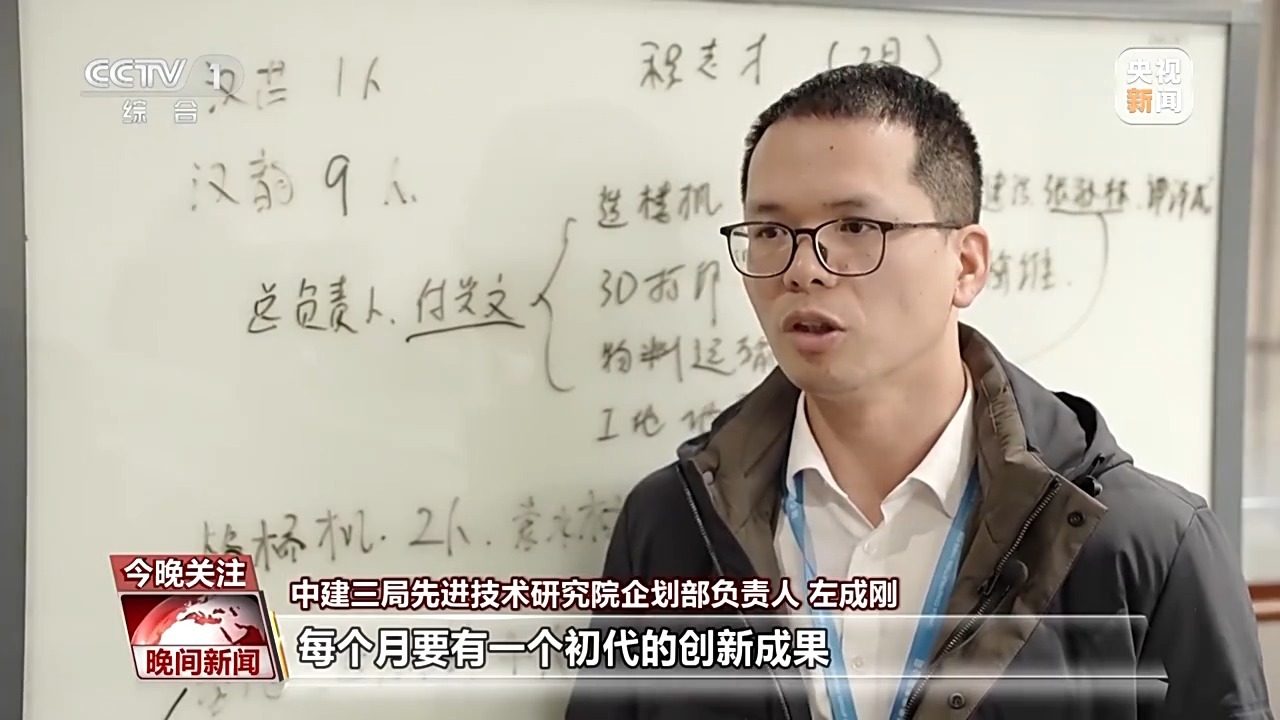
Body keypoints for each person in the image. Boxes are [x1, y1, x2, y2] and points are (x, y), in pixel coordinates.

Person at [563, 63, 1272, 720]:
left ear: (966, 265)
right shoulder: (672, 524)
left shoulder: (1144, 542)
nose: (803, 269)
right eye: (771, 230)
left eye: (855, 227)